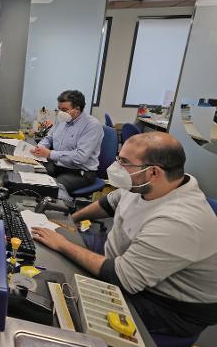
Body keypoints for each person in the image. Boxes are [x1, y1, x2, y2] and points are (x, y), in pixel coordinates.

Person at [32, 132, 217, 340]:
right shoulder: (147, 184)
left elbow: (122, 277)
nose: (116, 167)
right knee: (48, 251)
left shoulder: (180, 221)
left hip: (167, 306)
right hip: (122, 256)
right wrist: (70, 221)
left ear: (153, 172)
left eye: (124, 162)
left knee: (67, 310)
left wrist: (64, 244)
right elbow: (109, 203)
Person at [31, 90, 103, 194]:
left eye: (64, 109)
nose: (61, 113)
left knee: (51, 188)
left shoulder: (92, 125)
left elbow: (80, 156)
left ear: (77, 109)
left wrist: (50, 153)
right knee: (32, 173)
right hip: (58, 165)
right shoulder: (62, 119)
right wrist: (40, 147)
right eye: (59, 109)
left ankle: (58, 208)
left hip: (80, 172)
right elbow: (49, 138)